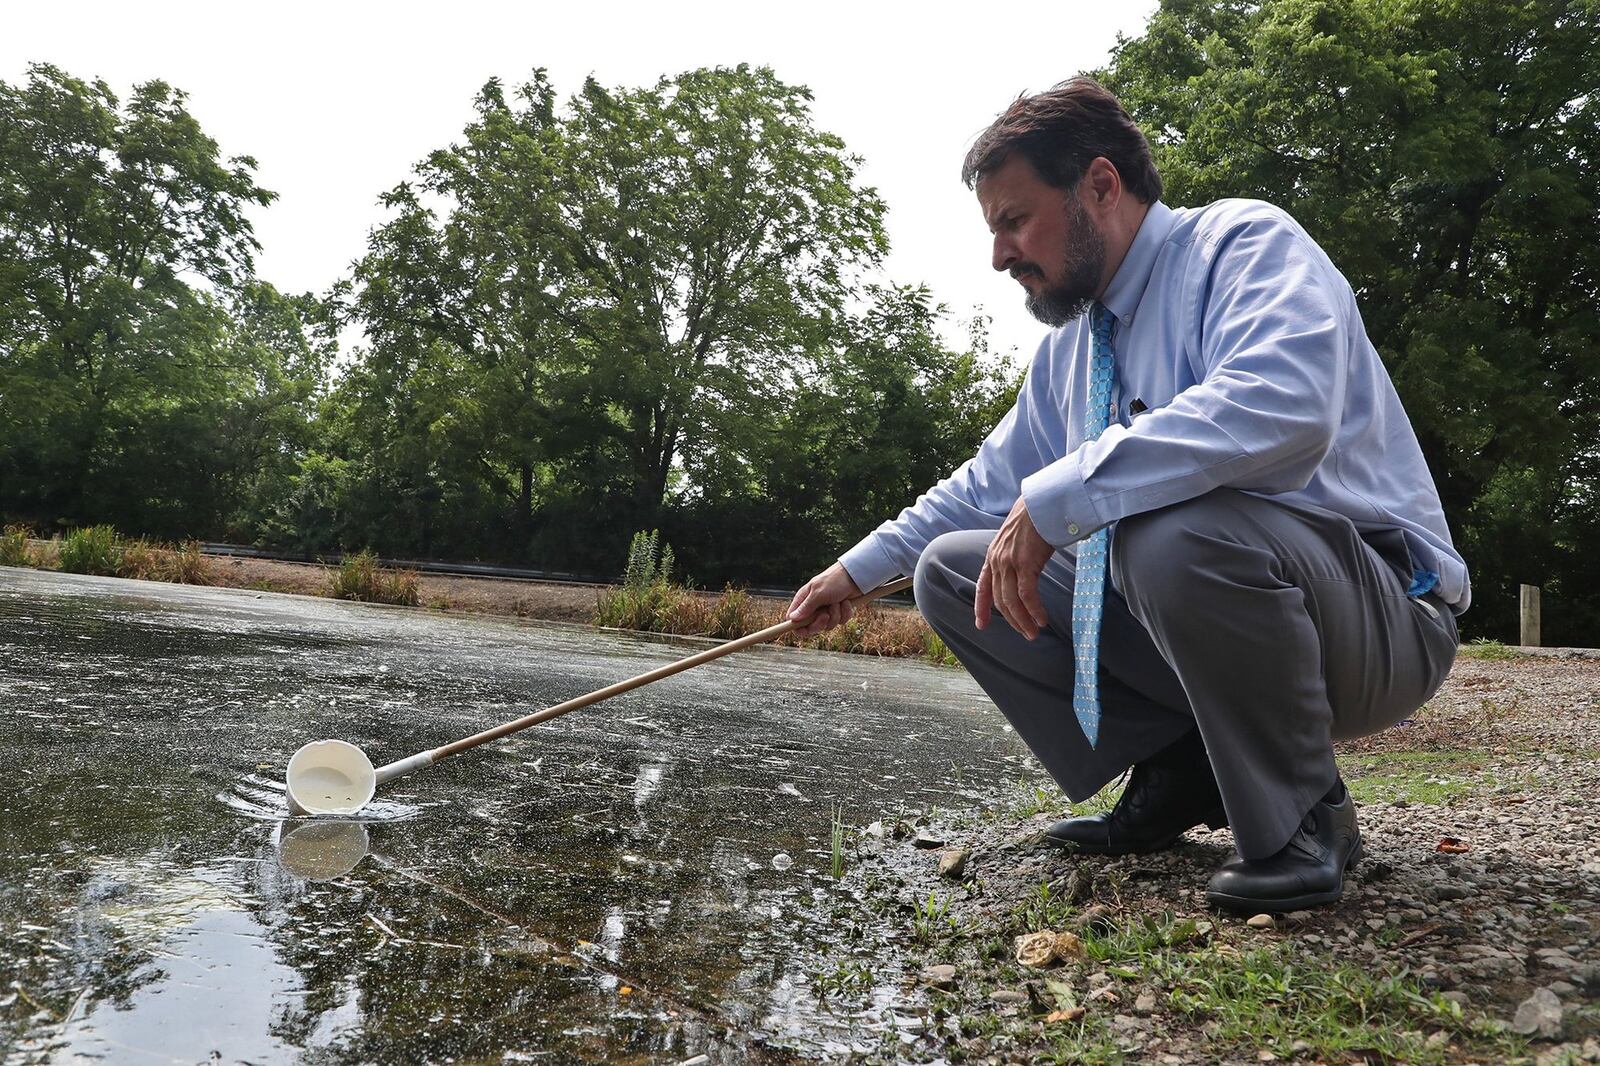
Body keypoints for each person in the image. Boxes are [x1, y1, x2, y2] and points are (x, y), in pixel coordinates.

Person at [786, 77, 1467, 912]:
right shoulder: (1073, 348)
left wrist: (1067, 493)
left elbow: (1286, 405)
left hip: (1381, 618)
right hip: (1228, 607)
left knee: (1160, 527)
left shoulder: (1242, 245)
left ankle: (1303, 814)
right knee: (951, 574)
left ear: (1100, 187)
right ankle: (1183, 770)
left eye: (1013, 220)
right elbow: (985, 488)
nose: (998, 254)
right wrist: (851, 575)